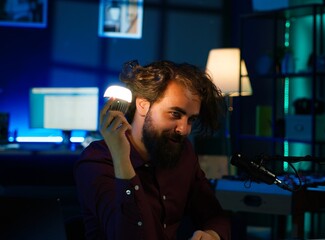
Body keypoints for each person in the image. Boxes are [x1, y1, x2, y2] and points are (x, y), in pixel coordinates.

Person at [74, 60, 231, 240]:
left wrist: (212, 234)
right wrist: (121, 159)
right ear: (143, 105)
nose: (184, 129)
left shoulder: (183, 152)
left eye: (191, 119)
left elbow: (214, 214)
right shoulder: (97, 161)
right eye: (175, 114)